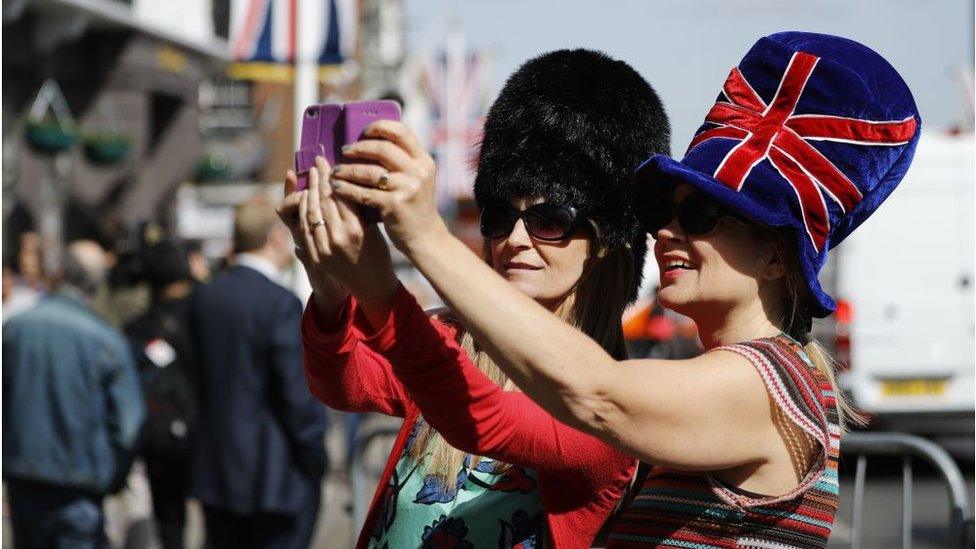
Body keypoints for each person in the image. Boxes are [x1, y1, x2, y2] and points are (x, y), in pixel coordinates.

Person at [325, 32, 920, 547]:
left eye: (701, 217)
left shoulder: (767, 381)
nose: (665, 230)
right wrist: (338, 272)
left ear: (773, 254)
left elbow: (596, 395)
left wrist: (422, 238)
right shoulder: (746, 375)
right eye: (666, 210)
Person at [279, 49, 670, 548]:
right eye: (500, 217)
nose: (516, 240)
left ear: (606, 244)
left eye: (549, 220)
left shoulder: (615, 404)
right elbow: (343, 384)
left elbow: (485, 419)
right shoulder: (451, 338)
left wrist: (385, 284)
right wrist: (331, 289)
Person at [190, 194, 328, 549]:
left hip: (217, 470)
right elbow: (296, 393)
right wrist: (315, 453)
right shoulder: (279, 303)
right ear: (277, 238)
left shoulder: (206, 297)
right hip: (274, 475)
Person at [3, 239, 146, 549]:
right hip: (80, 483)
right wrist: (113, 477)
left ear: (60, 273)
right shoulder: (106, 340)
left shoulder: (14, 330)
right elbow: (129, 424)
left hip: (24, 476)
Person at [124, 239, 199, 549]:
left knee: (170, 524)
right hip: (206, 432)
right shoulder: (206, 315)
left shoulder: (138, 328)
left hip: (160, 438)